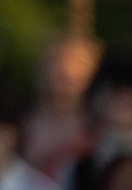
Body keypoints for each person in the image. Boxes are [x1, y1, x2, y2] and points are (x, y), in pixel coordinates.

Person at [26, 36, 104, 179]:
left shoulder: (98, 133)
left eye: (67, 81)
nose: (57, 87)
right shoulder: (19, 126)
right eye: (53, 76)